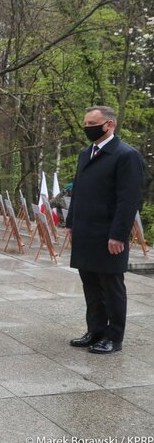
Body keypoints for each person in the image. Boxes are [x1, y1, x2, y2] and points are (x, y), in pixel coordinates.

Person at [67, 106, 145, 354]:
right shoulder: (86, 153)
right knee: (90, 286)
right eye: (85, 123)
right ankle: (96, 331)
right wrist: (71, 223)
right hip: (85, 231)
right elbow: (78, 192)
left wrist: (118, 235)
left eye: (92, 123)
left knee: (111, 288)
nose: (87, 127)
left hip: (109, 234)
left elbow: (129, 200)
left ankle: (114, 337)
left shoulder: (126, 155)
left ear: (109, 124)